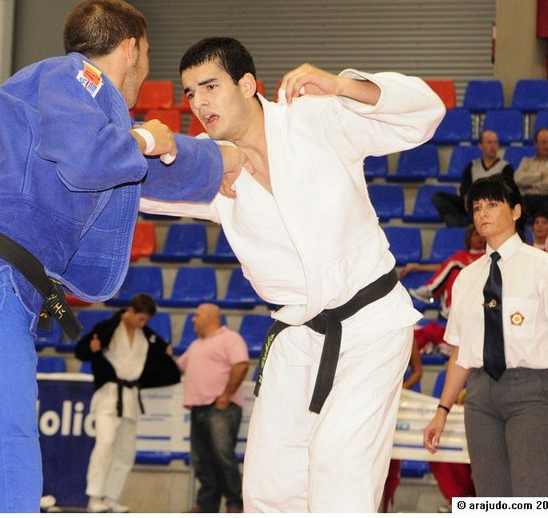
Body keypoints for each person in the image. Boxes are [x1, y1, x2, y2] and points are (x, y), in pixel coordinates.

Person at [0, 0, 247, 512]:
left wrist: (226, 157)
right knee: (1, 477)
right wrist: (144, 135)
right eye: (150, 53)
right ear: (132, 48)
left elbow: (140, 167)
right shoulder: (69, 78)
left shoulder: (88, 125)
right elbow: (95, 159)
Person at [140, 37, 445, 511]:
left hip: (371, 325)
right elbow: (124, 185)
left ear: (246, 84)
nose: (198, 102)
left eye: (209, 86)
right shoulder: (207, 162)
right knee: (269, 484)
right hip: (297, 334)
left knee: (339, 467)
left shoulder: (313, 118)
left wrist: (341, 84)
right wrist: (145, 141)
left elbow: (424, 112)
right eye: (189, 93)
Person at [423, 174, 548, 497]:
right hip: (479, 397)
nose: (482, 213)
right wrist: (442, 410)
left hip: (531, 391)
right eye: (476, 207)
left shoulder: (545, 268)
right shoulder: (465, 279)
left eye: (491, 204)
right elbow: (461, 352)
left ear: (516, 211)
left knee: (531, 498)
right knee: (490, 501)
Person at [73, 294, 179, 513]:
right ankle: (94, 498)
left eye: (146, 320)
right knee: (105, 444)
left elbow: (161, 355)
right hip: (109, 395)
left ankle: (111, 498)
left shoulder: (145, 335)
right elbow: (81, 350)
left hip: (130, 397)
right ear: (130, 311)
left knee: (125, 451)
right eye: (141, 318)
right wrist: (92, 350)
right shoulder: (107, 328)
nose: (143, 323)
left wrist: (165, 353)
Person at [176, 303, 249, 513]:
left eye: (196, 315)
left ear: (210, 317)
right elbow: (177, 367)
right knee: (203, 461)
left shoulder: (230, 338)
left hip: (220, 407)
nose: (192, 319)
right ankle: (207, 506)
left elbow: (241, 364)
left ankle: (235, 504)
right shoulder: (196, 345)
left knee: (223, 456)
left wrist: (226, 395)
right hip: (198, 409)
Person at [431, 130, 514, 227]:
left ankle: (468, 223)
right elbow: (465, 187)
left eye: (495, 142)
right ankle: (461, 223)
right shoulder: (472, 166)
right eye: (489, 142)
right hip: (472, 203)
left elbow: (507, 190)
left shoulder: (506, 167)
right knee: (438, 197)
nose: (493, 146)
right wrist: (467, 197)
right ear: (480, 146)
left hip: (492, 204)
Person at [405, 225, 486, 319]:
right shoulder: (460, 255)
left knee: (455, 267)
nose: (480, 238)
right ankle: (446, 304)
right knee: (454, 269)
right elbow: (442, 268)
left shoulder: (487, 256)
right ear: (469, 237)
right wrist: (416, 267)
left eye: (482, 235)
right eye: (476, 235)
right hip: (458, 298)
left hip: (475, 295)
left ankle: (429, 291)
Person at [381, 337, 422, 512]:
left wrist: (401, 388)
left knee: (391, 459)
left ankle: (386, 504)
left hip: (396, 403)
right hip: (370, 400)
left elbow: (418, 372)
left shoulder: (408, 334)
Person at [513, 127, 548, 220]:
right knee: (514, 211)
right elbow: (517, 179)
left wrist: (530, 183)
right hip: (528, 199)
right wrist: (541, 175)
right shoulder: (526, 161)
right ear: (536, 144)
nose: (546, 146)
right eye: (543, 142)